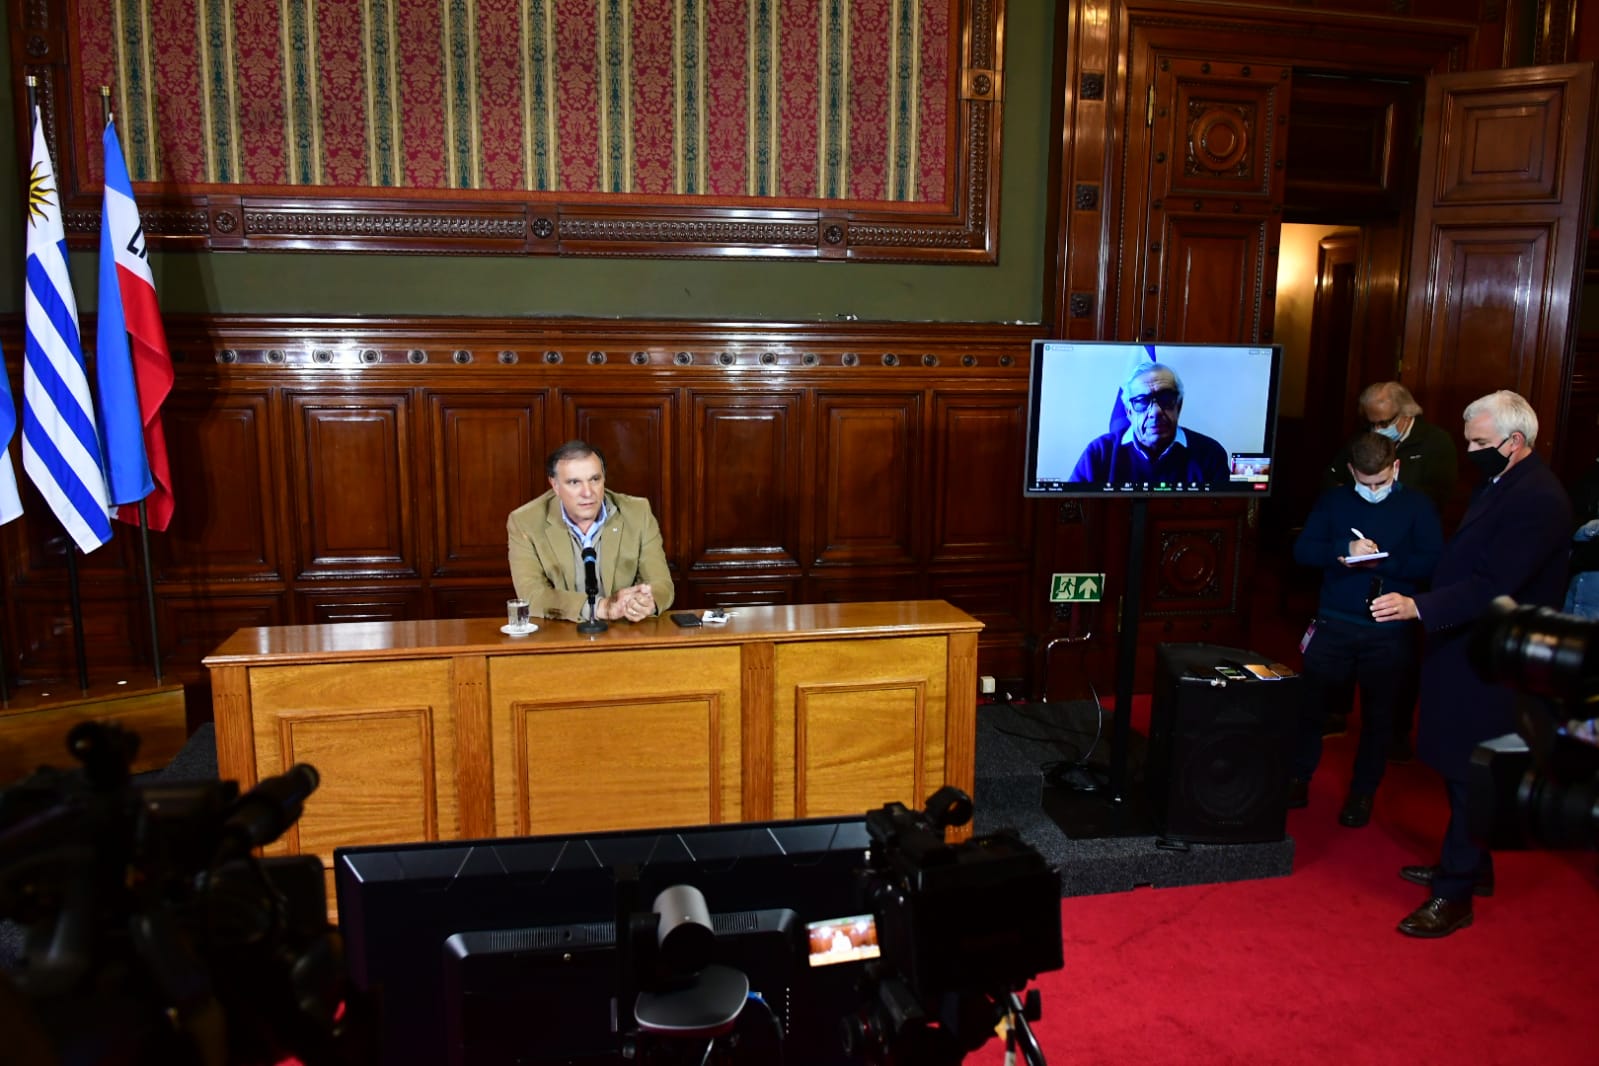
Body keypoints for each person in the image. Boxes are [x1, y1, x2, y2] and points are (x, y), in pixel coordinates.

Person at [1369, 391, 1572, 938]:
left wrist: (1420, 607)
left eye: (1479, 442)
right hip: (1467, 642)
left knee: (1473, 771)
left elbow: (1494, 584)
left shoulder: (1539, 499)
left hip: (1496, 653)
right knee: (1460, 761)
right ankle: (1473, 867)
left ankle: (1455, 893)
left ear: (1515, 441)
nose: (1469, 451)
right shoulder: (1504, 480)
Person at [1286, 432, 1442, 827]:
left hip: (1387, 627)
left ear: (1396, 467)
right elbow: (1303, 551)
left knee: (1379, 715)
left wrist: (1383, 563)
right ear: (1352, 471)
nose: (1373, 490)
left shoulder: (1418, 506)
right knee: (1310, 707)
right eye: (1365, 482)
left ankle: (1362, 792)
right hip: (1334, 620)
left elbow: (1432, 563)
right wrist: (1343, 550)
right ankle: (1297, 777)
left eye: (1381, 482)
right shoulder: (1334, 501)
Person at [1323, 382, 1458, 758]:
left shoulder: (1436, 444)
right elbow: (1333, 480)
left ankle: (1396, 730)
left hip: (1404, 561)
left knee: (1399, 656)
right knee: (1342, 640)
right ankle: (1336, 711)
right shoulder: (1363, 440)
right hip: (1356, 554)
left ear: (1406, 414)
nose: (1377, 428)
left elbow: (1435, 500)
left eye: (1384, 422)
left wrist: (1391, 517)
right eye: (1372, 422)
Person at [507, 440, 675, 623]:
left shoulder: (637, 513)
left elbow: (661, 584)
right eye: (574, 482)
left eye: (595, 479)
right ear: (555, 485)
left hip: (624, 630)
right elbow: (533, 595)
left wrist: (646, 602)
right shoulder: (525, 522)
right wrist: (602, 608)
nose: (587, 493)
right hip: (561, 631)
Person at [1069, 363, 1231, 485]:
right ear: (1129, 412)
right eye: (1142, 401)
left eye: (1166, 399)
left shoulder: (1210, 454)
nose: (1155, 411)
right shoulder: (1099, 453)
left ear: (1179, 406)